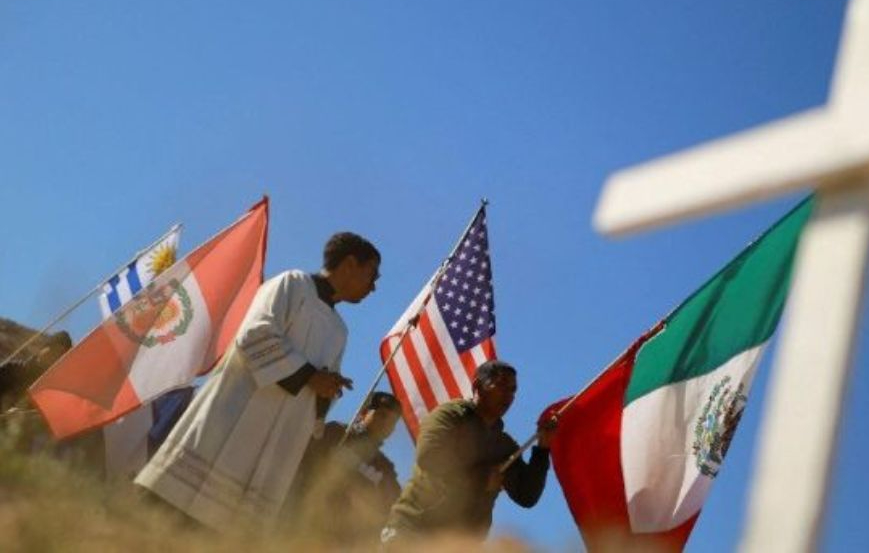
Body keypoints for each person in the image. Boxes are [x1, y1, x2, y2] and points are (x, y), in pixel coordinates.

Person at [134, 232, 380, 530]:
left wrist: (327, 391)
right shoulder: (293, 284)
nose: (374, 287)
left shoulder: (340, 331)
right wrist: (309, 376)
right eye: (372, 274)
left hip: (277, 442)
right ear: (350, 264)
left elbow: (317, 390)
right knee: (167, 518)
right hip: (231, 420)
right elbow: (254, 334)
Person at [381, 360, 557, 544]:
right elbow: (430, 456)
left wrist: (542, 449)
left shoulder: (504, 446)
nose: (508, 395)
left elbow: (526, 495)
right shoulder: (451, 416)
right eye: (501, 385)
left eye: (513, 390)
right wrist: (482, 479)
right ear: (477, 386)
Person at [290, 391, 403, 540]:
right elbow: (297, 461)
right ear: (364, 412)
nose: (386, 424)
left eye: (393, 422)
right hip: (299, 522)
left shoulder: (385, 469)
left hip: (339, 541)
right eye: (382, 415)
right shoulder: (335, 433)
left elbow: (394, 510)